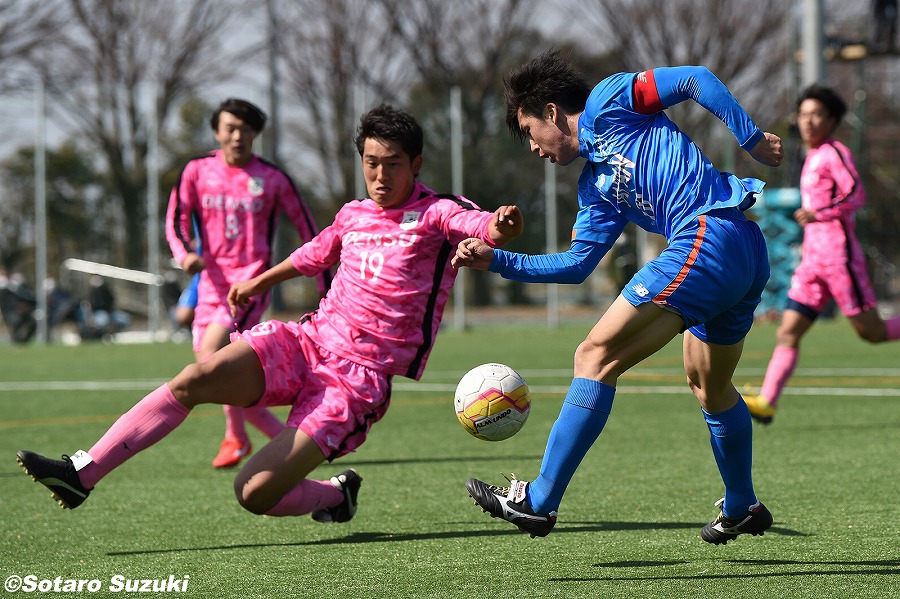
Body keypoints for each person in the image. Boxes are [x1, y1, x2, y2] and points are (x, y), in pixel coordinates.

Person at [16, 104, 523, 525]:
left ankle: (333, 495)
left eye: (392, 164)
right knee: (197, 375)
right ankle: (83, 473)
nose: (379, 176)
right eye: (370, 163)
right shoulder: (353, 213)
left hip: (356, 382)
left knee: (253, 492)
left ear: (416, 164)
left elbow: (479, 225)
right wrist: (258, 282)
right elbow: (312, 255)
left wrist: (501, 225)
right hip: (306, 343)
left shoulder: (436, 211)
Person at [452, 50, 783, 544]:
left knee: (594, 356)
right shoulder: (595, 187)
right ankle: (741, 506)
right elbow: (578, 264)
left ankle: (539, 501)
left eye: (528, 132)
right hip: (740, 252)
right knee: (709, 386)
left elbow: (693, 79)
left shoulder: (609, 99)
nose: (533, 149)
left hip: (710, 235)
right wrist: (499, 260)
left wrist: (750, 136)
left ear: (550, 112)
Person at [166, 98, 330, 469]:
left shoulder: (272, 179)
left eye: (245, 129)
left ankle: (235, 438)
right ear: (217, 131)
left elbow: (310, 233)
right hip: (208, 284)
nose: (237, 136)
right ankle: (292, 442)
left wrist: (325, 284)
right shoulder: (196, 171)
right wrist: (185, 253)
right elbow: (176, 218)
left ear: (255, 134)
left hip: (250, 283)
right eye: (230, 128)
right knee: (220, 375)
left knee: (211, 356)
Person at [743, 85, 900, 425]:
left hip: (839, 258)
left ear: (831, 120)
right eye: (803, 114)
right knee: (787, 332)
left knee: (871, 333)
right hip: (812, 261)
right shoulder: (811, 156)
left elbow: (857, 194)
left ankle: (768, 400)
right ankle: (767, 402)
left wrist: (821, 212)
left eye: (817, 115)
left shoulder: (834, 152)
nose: (809, 121)